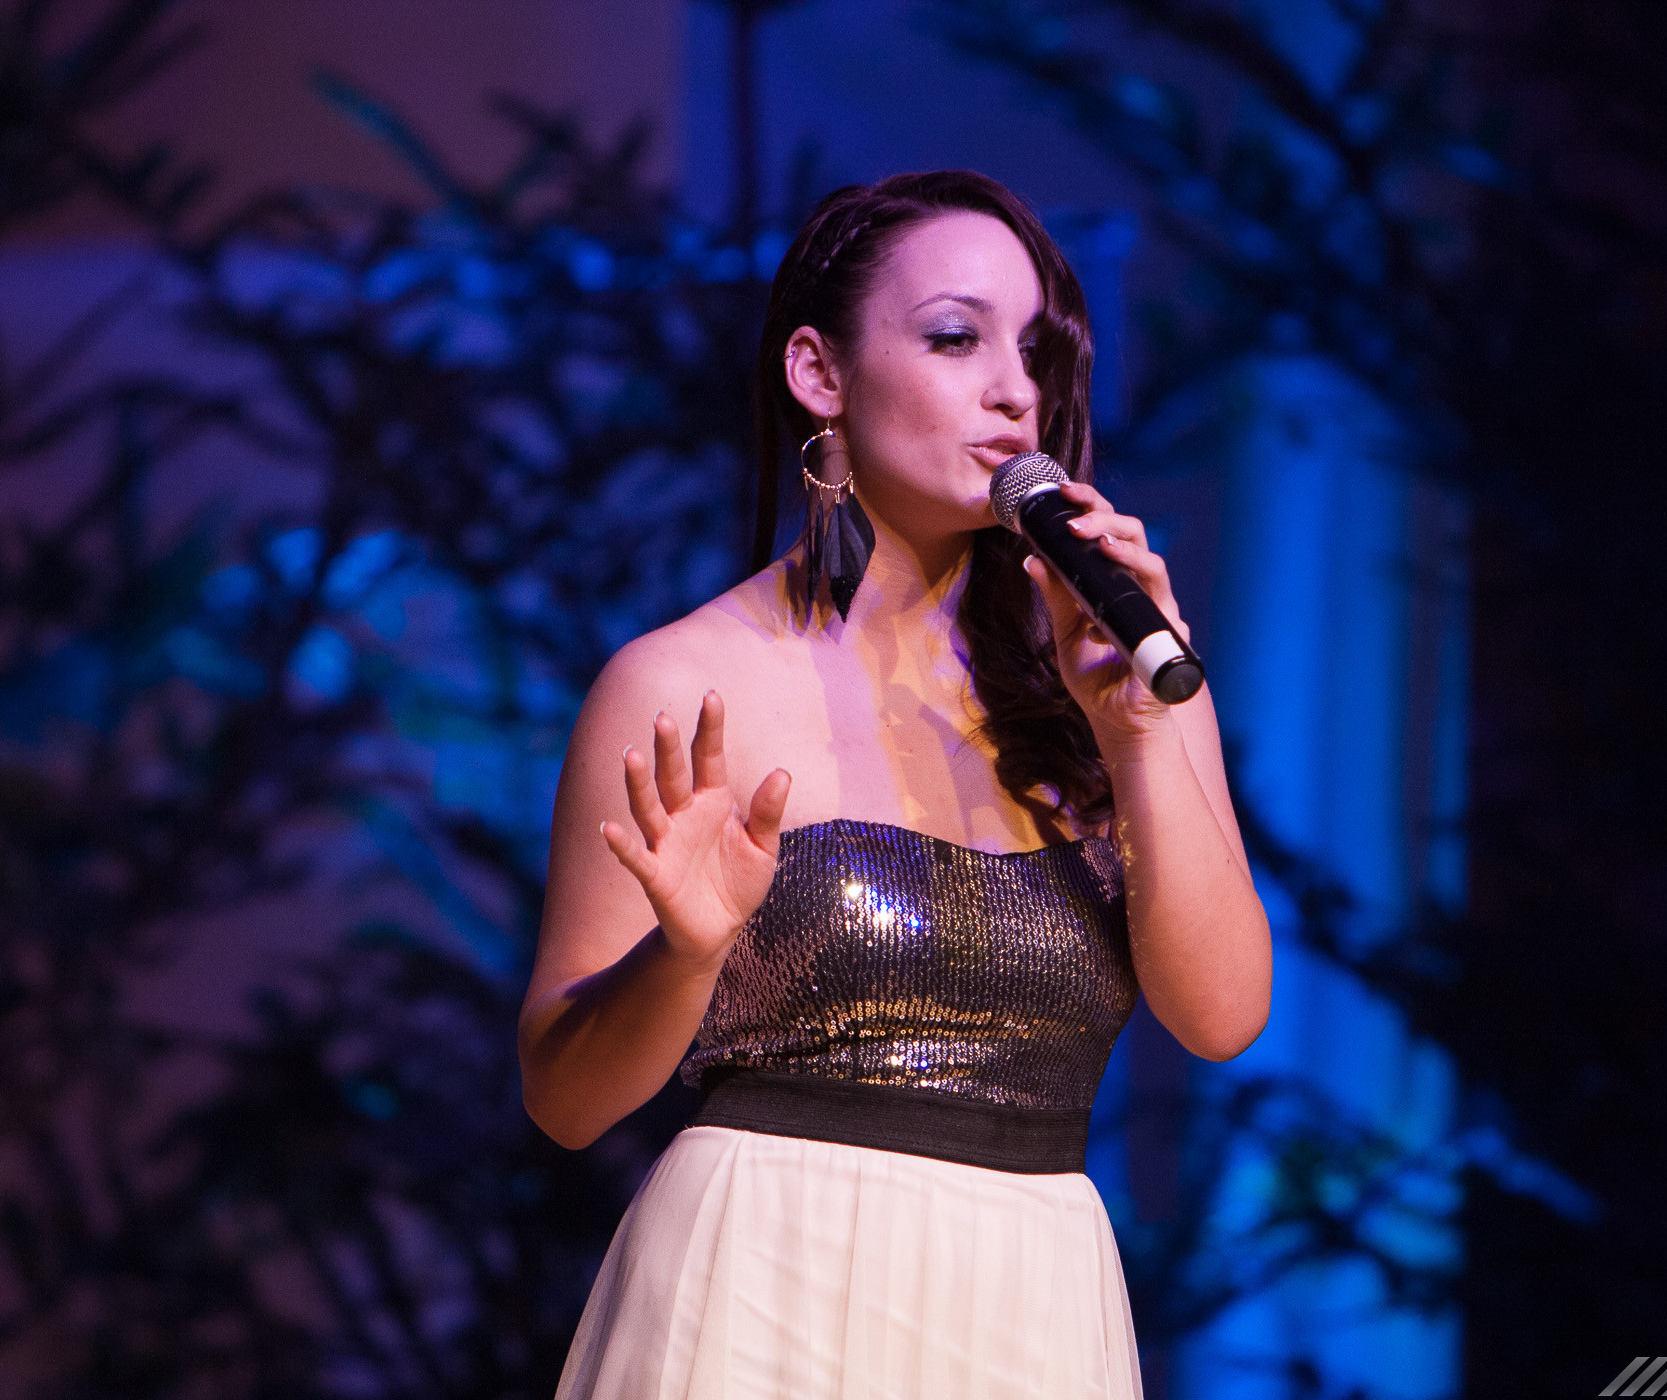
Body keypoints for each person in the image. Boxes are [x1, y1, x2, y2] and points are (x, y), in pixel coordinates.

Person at [519, 169, 1271, 1400]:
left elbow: (1224, 1015)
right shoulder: (681, 681)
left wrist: (1140, 736)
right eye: (956, 336)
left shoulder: (1124, 671)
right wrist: (686, 956)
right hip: (762, 1287)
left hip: (1031, 1302)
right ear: (819, 372)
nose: (1014, 389)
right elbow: (563, 1096)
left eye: (1035, 351)